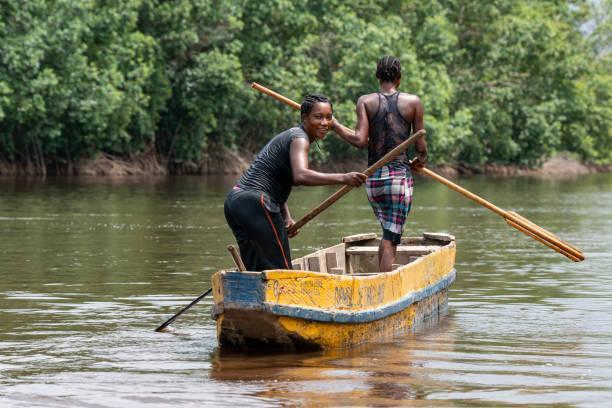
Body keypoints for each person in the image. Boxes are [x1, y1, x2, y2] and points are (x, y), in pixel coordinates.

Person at [224, 94, 367, 272]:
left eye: (329, 117)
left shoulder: (292, 136)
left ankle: (250, 300)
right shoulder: (299, 138)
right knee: (281, 272)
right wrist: (343, 178)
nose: (324, 123)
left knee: (253, 270)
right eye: (318, 117)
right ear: (304, 118)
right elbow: (301, 176)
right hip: (256, 203)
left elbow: (280, 179)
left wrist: (286, 217)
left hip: (235, 203)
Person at [332, 55, 428, 272]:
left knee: (387, 232)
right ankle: (384, 283)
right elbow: (420, 146)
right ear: (399, 78)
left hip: (373, 179)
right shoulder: (413, 102)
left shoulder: (365, 101)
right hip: (398, 178)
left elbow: (359, 140)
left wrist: (336, 126)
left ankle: (379, 275)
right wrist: (420, 160)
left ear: (377, 77)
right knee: (392, 237)